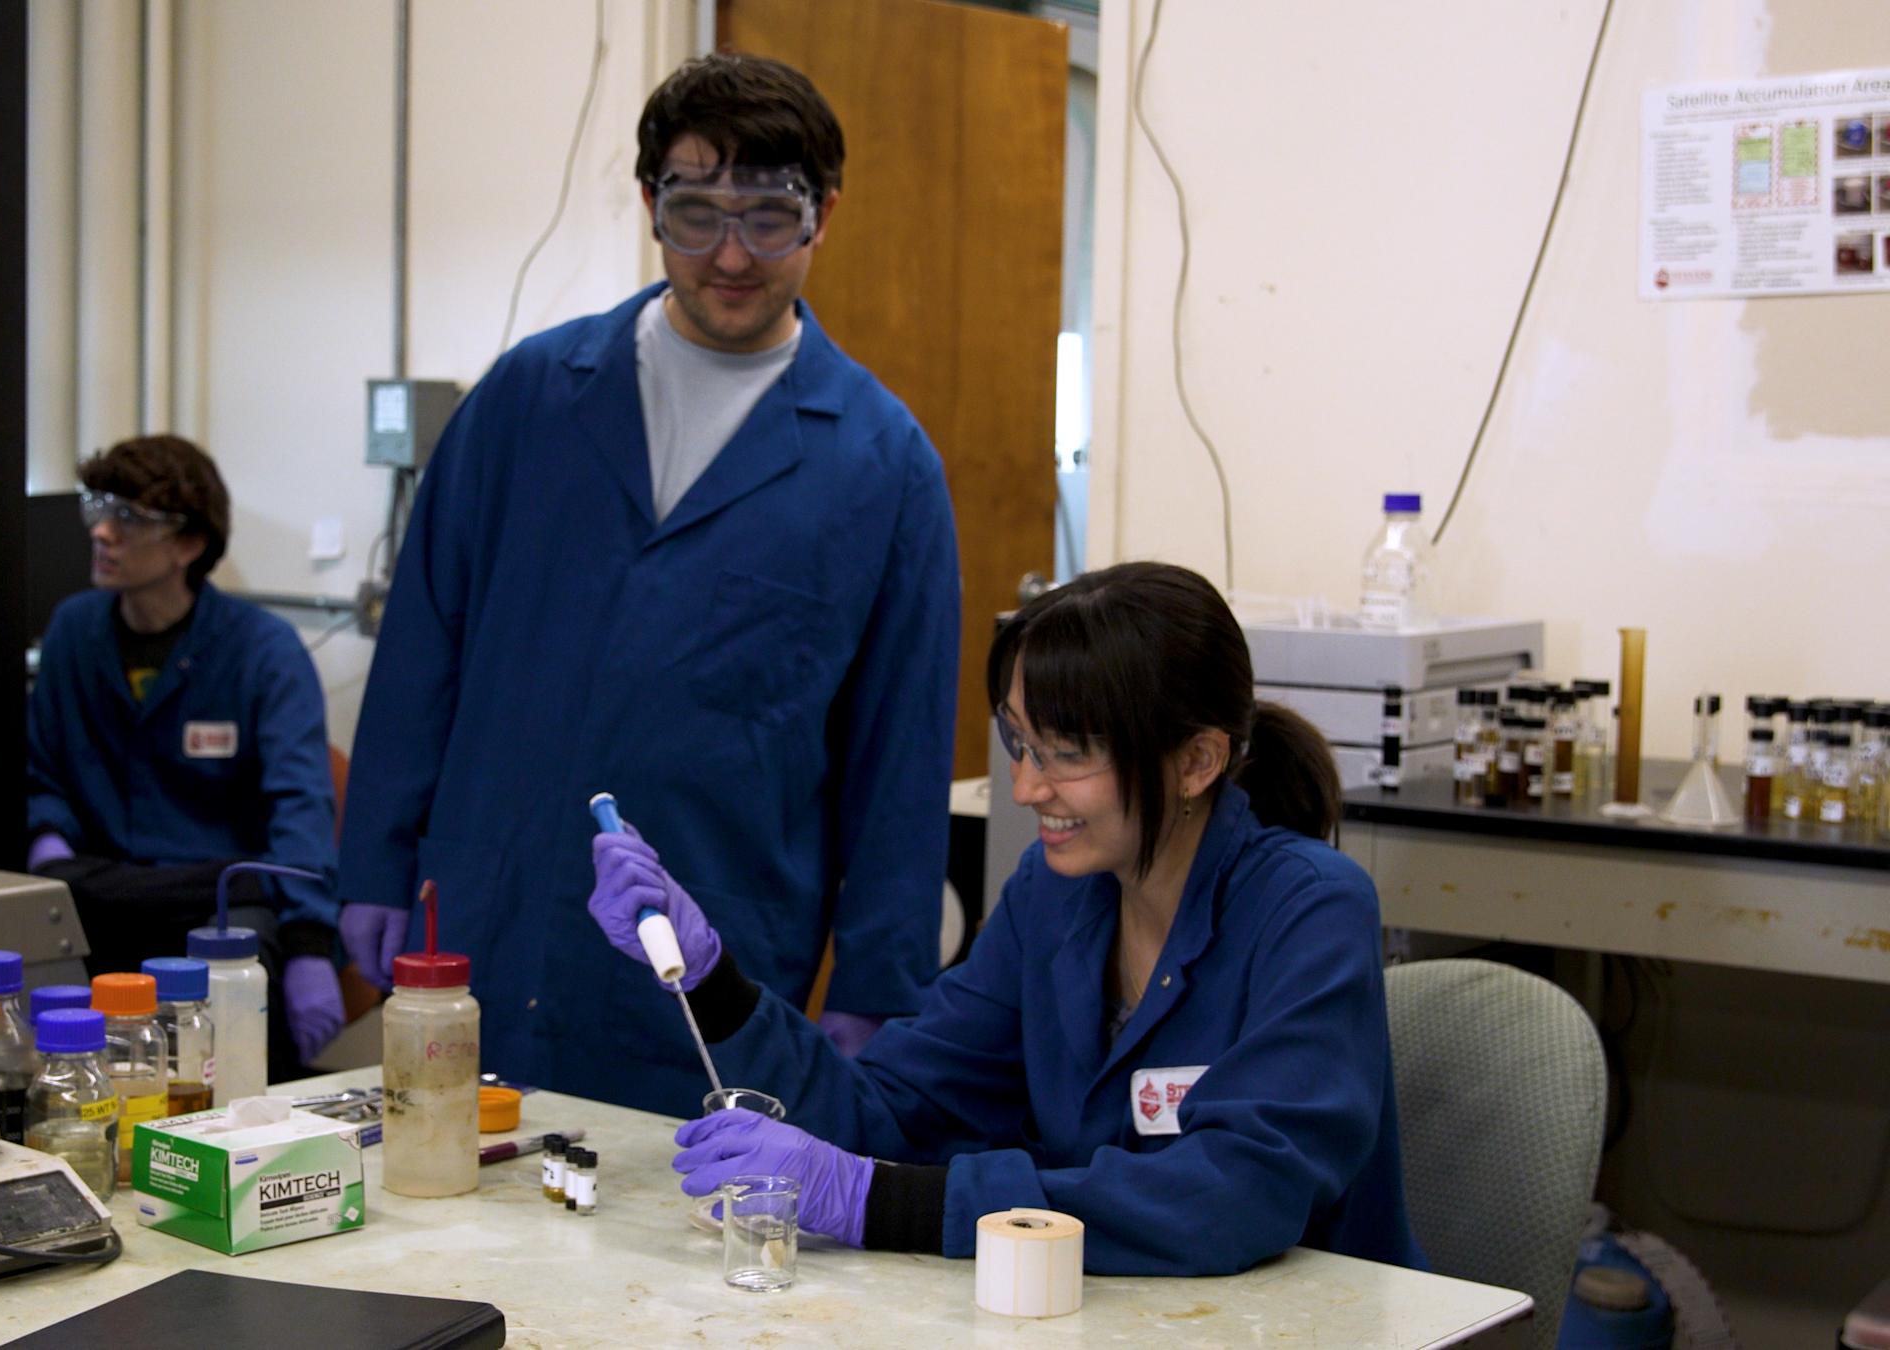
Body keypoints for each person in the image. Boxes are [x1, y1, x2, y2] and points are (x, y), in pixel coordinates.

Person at [336, 53, 962, 1116]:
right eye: (694, 211)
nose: (729, 254)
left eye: (768, 215)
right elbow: (422, 650)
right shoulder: (530, 399)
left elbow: (900, 757)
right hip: (488, 924)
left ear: (825, 216)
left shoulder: (882, 465)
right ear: (647, 204)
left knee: (678, 1258)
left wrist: (879, 982)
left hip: (712, 968)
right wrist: (375, 862)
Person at [587, 562, 1427, 1275]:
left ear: (1198, 760)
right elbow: (889, 1114)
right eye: (1020, 744)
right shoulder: (1055, 896)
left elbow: (1236, 1194)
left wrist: (878, 1203)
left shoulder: (1310, 908)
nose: (1026, 789)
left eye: (1068, 755)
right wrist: (712, 981)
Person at [26, 435, 344, 1082]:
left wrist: (311, 945)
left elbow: (300, 804)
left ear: (189, 546)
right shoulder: (73, 633)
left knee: (231, 1063)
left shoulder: (263, 652)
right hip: (103, 890)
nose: (103, 533)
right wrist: (48, 844)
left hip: (220, 900)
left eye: (131, 520)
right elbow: (44, 771)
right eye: (99, 509)